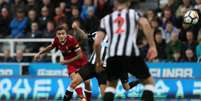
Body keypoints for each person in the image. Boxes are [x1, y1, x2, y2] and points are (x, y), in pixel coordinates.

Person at [94, 0, 157, 101]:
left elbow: (97, 43)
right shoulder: (133, 14)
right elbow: (145, 25)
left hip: (112, 56)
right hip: (130, 53)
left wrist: (98, 60)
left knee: (111, 87)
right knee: (149, 84)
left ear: (115, 3)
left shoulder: (106, 19)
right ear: (128, 3)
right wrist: (152, 46)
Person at [63, 32, 140, 101]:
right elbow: (85, 36)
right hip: (91, 66)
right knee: (73, 83)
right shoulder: (99, 34)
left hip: (104, 70)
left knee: (107, 95)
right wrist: (77, 31)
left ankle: (137, 81)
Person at [34, 25, 91, 101]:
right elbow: (51, 47)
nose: (61, 36)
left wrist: (66, 61)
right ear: (56, 35)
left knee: (87, 82)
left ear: (66, 34)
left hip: (81, 61)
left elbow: (80, 55)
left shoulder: (72, 40)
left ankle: (88, 99)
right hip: (71, 64)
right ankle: (82, 98)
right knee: (74, 80)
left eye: (63, 33)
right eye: (59, 34)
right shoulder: (56, 40)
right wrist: (40, 53)